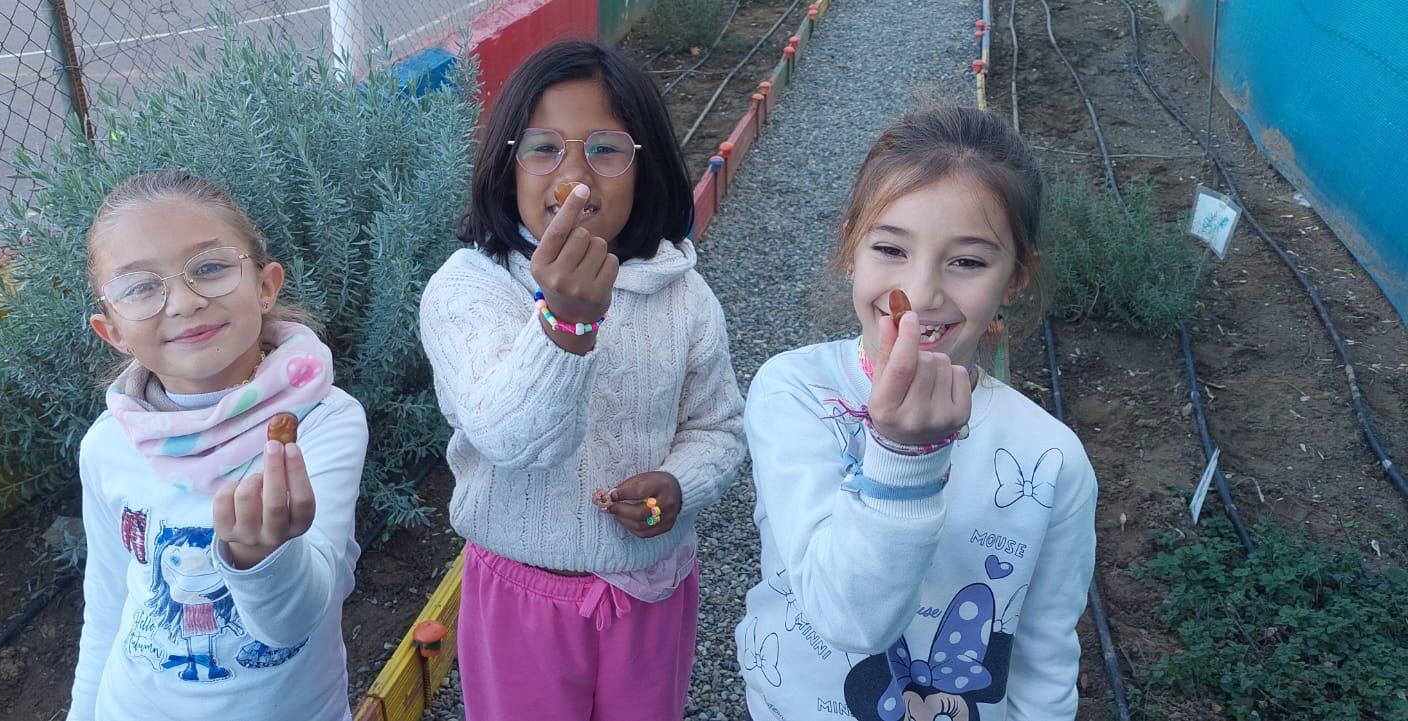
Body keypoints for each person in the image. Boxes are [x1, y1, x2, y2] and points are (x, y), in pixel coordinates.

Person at [418, 41, 747, 720]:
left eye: (606, 150)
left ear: (646, 167)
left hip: (650, 590)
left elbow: (718, 427)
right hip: (522, 597)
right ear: (505, 164)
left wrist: (679, 485)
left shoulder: (683, 296)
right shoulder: (469, 289)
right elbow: (510, 438)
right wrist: (565, 326)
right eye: (543, 148)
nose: (574, 179)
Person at [737, 106, 1097, 721]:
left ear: (1016, 278)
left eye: (968, 261)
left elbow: (1045, 657)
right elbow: (849, 619)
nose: (922, 292)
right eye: (889, 248)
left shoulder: (1049, 458)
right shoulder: (795, 394)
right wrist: (904, 458)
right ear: (851, 247)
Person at [70, 170, 365, 721]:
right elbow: (107, 601)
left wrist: (264, 559)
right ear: (113, 332)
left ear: (265, 286)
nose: (183, 302)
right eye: (140, 287)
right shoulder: (109, 444)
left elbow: (299, 619)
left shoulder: (321, 421)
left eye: (209, 268)